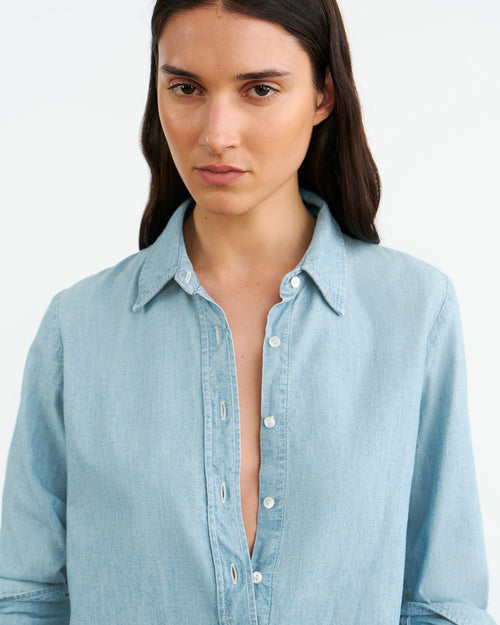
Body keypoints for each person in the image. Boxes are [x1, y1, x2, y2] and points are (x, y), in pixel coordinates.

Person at [0, 0, 495, 623]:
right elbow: (26, 599)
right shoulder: (78, 329)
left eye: (259, 89)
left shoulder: (415, 312)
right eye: (186, 88)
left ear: (324, 95)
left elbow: (441, 604)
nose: (216, 134)